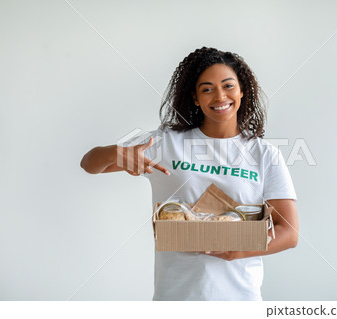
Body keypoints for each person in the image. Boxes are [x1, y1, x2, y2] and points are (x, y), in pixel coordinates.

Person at [80, 47, 299, 301]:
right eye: (207, 89)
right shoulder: (165, 143)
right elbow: (89, 163)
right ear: (195, 98)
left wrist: (237, 250)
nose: (220, 96)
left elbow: (289, 232)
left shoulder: (265, 154)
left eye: (228, 86)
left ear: (242, 91)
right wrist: (116, 153)